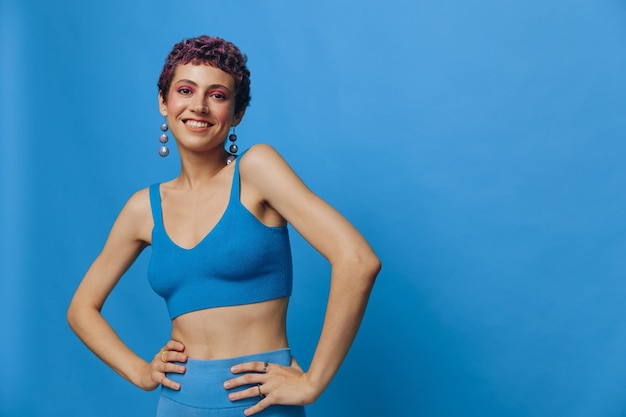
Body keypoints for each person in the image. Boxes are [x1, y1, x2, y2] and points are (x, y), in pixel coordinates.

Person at [67, 34, 381, 417]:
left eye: (217, 95)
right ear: (164, 102)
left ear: (237, 112)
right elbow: (81, 308)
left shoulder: (257, 171)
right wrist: (141, 371)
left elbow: (357, 260)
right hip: (177, 404)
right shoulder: (143, 209)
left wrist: (313, 381)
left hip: (259, 404)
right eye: (185, 90)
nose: (198, 105)